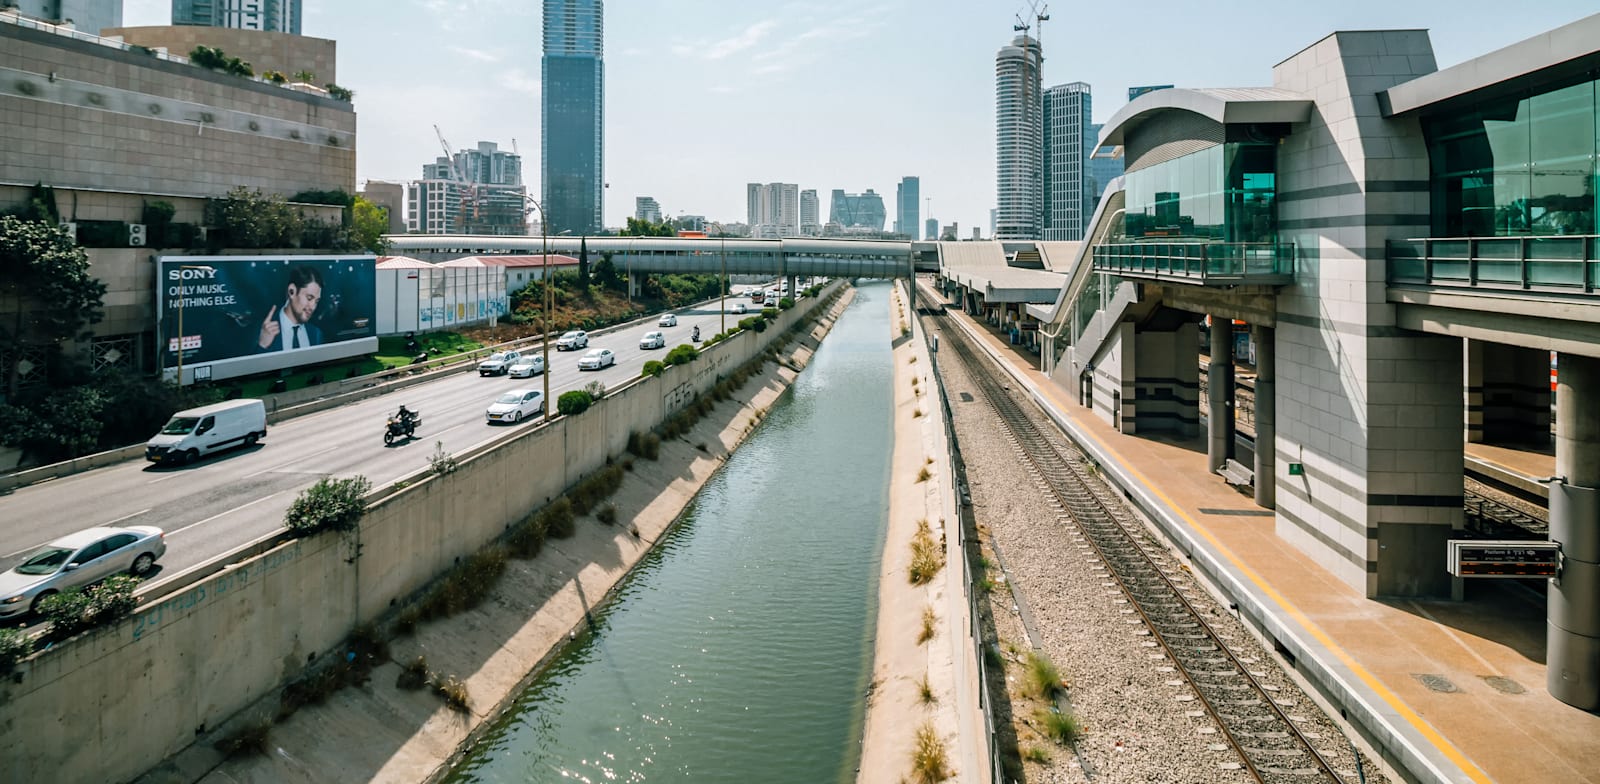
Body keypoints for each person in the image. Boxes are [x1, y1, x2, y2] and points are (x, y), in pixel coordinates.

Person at [256, 265, 324, 352]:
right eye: (309, 298)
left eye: (316, 301)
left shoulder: (316, 334)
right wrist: (262, 346)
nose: (313, 307)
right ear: (292, 291)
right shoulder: (261, 330)